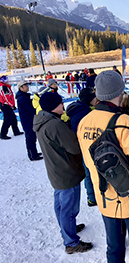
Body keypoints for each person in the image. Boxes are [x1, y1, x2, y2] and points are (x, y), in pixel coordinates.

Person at [77, 70, 129, 263]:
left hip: (105, 194)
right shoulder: (123, 122)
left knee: (114, 248)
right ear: (120, 92)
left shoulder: (85, 122)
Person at [33, 92, 92, 254]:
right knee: (69, 209)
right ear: (53, 106)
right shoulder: (55, 125)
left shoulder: (43, 121)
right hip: (66, 172)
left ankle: (68, 229)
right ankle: (71, 243)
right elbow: (73, 146)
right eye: (60, 103)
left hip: (56, 171)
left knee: (60, 204)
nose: (63, 106)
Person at [66, 87, 98, 207]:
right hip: (86, 147)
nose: (96, 99)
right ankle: (91, 197)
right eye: (94, 97)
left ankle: (92, 196)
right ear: (88, 100)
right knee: (89, 171)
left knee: (89, 170)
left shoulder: (82, 108)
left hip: (85, 146)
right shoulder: (82, 113)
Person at [15, 80, 42, 161]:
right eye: (25, 86)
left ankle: (34, 152)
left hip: (29, 119)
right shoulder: (22, 98)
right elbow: (31, 108)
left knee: (32, 137)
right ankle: (32, 155)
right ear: (21, 88)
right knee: (30, 137)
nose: (27, 87)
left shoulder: (24, 96)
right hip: (27, 121)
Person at [0, 75, 23, 140]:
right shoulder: (4, 87)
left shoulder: (5, 87)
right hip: (6, 105)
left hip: (7, 105)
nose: (8, 81)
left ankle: (16, 131)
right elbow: (6, 97)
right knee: (7, 120)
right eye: (6, 80)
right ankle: (3, 134)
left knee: (13, 118)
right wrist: (11, 105)